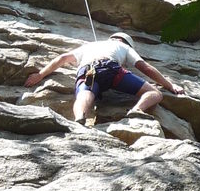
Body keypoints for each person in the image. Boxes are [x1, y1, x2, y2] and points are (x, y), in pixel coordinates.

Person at [23, 32, 184, 125]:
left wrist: (40, 75)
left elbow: (63, 58)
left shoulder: (89, 45)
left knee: (84, 94)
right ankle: (136, 111)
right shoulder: (124, 46)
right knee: (155, 94)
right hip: (111, 69)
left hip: (87, 70)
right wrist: (170, 86)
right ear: (124, 41)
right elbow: (144, 67)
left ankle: (80, 118)